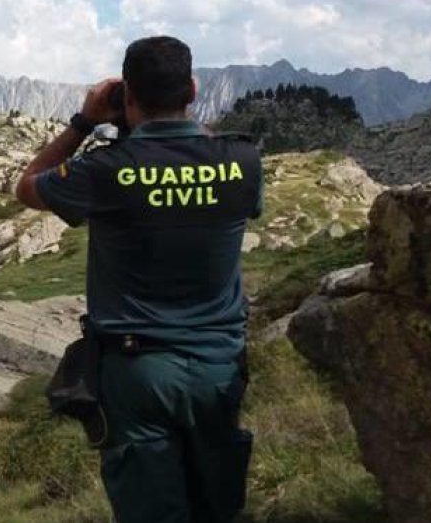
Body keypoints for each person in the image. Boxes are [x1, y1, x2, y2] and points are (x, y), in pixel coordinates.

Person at [15, 36, 263, 523]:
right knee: (218, 506)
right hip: (220, 365)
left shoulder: (105, 169)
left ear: (127, 96)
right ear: (192, 89)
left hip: (137, 373)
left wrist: (86, 121)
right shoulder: (244, 162)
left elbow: (26, 187)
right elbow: (199, 147)